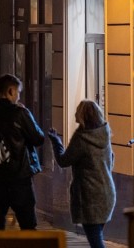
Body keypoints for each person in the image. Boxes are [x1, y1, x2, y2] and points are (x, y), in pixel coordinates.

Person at [0, 74, 45, 230]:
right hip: (20, 180)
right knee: (28, 226)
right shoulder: (20, 114)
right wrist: (28, 115)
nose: (19, 97)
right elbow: (39, 138)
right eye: (18, 93)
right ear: (11, 91)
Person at [47, 100, 116, 248]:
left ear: (84, 115)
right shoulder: (104, 134)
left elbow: (64, 161)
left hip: (90, 199)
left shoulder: (82, 138)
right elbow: (110, 160)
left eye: (77, 111)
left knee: (95, 240)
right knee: (96, 236)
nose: (74, 114)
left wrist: (56, 142)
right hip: (107, 195)